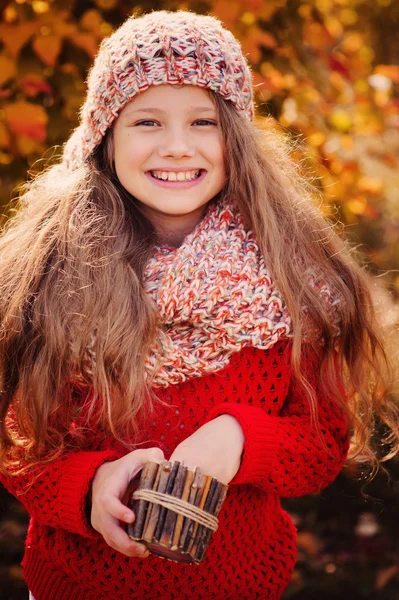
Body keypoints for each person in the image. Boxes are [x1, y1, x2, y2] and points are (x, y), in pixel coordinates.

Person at [0, 9, 397, 600]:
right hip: (76, 585)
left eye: (204, 120)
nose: (178, 146)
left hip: (238, 584)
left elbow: (322, 443)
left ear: (235, 135)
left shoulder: (293, 279)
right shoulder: (56, 275)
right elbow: (18, 444)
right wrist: (90, 485)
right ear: (105, 136)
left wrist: (242, 440)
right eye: (147, 120)